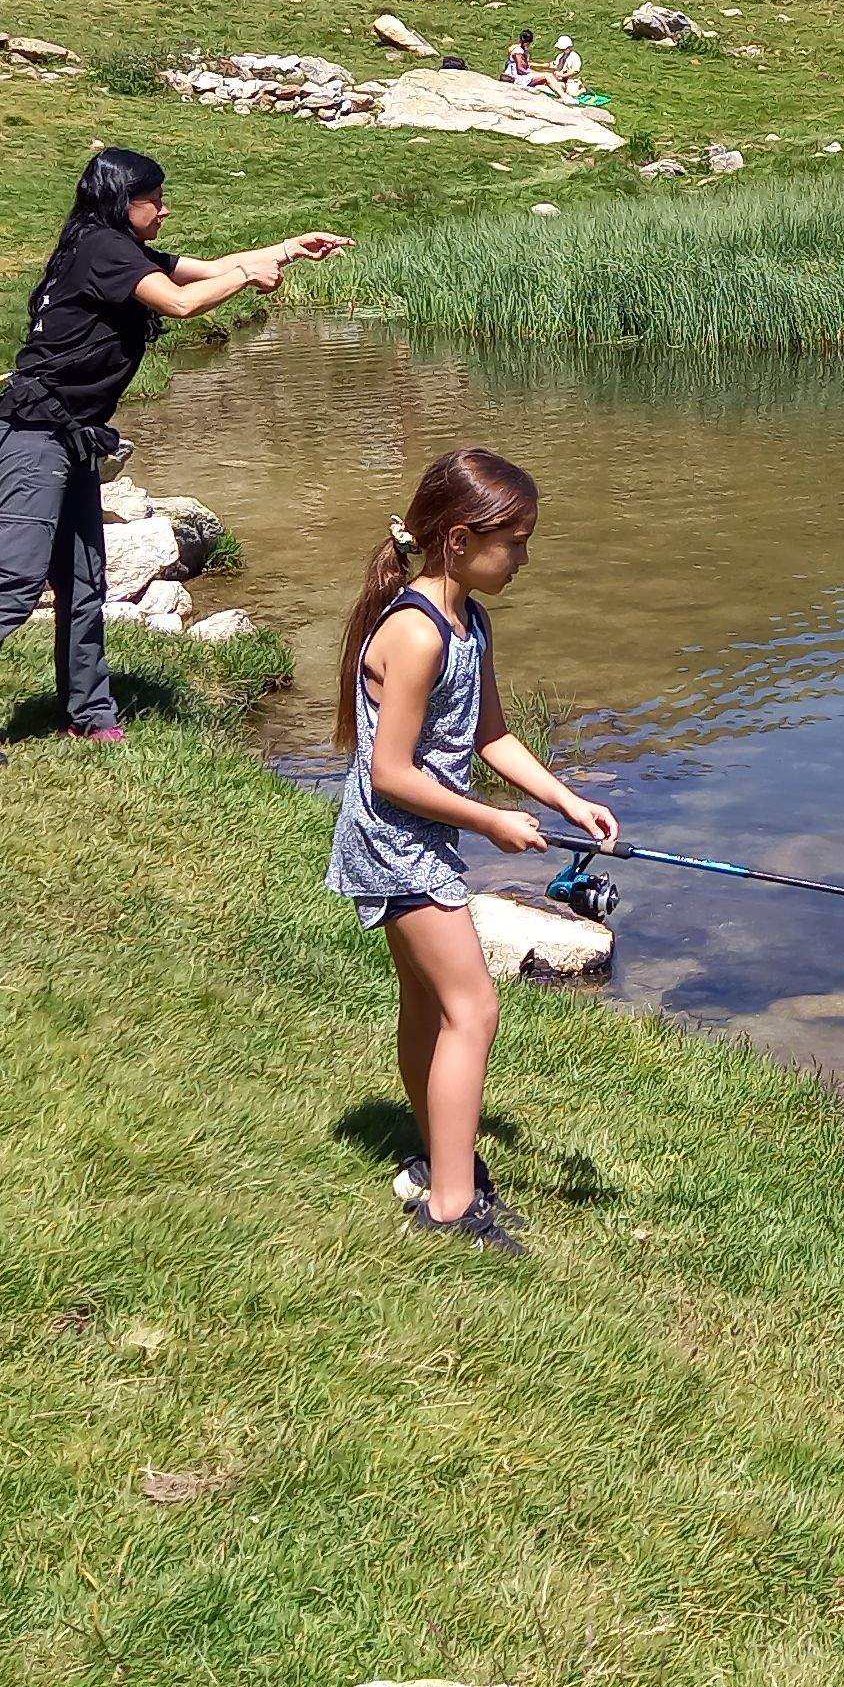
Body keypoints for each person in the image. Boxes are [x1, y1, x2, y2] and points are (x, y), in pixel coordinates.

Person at [0, 147, 349, 765]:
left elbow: (206, 267)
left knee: (84, 581)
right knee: (16, 581)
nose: (165, 208)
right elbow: (183, 301)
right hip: (34, 430)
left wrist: (286, 249)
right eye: (157, 198)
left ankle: (90, 712)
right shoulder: (102, 249)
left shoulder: (116, 247)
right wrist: (245, 281)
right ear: (125, 201)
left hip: (73, 434)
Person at [328, 447, 619, 1250]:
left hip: (415, 835)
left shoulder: (470, 620)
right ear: (458, 540)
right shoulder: (417, 633)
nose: (524, 557)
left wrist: (564, 798)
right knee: (474, 1008)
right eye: (515, 542)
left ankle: (441, 1161)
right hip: (394, 840)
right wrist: (488, 823)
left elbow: (490, 734)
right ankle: (452, 1204)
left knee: (429, 1004)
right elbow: (389, 773)